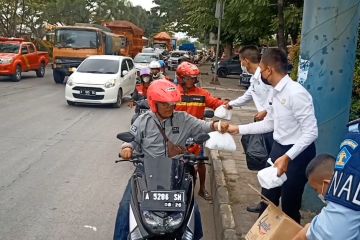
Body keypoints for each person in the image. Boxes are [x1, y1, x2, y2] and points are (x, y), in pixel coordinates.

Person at [113, 79, 229, 240]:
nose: (170, 107)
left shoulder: (183, 119)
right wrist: (127, 148)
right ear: (154, 103)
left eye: (172, 103)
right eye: (165, 104)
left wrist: (218, 125)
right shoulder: (144, 120)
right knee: (126, 206)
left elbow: (204, 126)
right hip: (146, 171)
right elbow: (132, 139)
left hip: (175, 171)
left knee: (191, 208)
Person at [226, 48, 318, 223]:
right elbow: (270, 123)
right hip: (278, 148)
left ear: (269, 70)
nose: (260, 72)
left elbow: (311, 132)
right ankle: (262, 234)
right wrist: (238, 128)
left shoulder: (296, 93)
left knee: (290, 205)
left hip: (297, 154)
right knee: (267, 198)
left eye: (261, 67)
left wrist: (288, 157)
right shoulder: (275, 91)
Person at [225, 45, 273, 213]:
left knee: (269, 167)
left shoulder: (266, 77)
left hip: (272, 127)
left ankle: (268, 206)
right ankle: (264, 204)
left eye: (240, 61)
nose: (241, 64)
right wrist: (231, 104)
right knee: (264, 166)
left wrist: (266, 111)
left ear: (245, 60)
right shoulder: (254, 77)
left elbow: (276, 95)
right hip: (264, 124)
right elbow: (248, 96)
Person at [293, 122, 360, 240]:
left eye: (316, 189)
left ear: (327, 183)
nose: (318, 194)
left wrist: (310, 230)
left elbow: (335, 232)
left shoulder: (353, 143)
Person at [175, 61, 226, 200]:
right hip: (176, 133)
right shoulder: (173, 93)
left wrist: (226, 105)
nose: (190, 80)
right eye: (187, 78)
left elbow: (215, 103)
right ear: (180, 78)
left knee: (201, 162)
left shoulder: (202, 94)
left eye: (192, 78)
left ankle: (202, 189)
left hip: (197, 133)